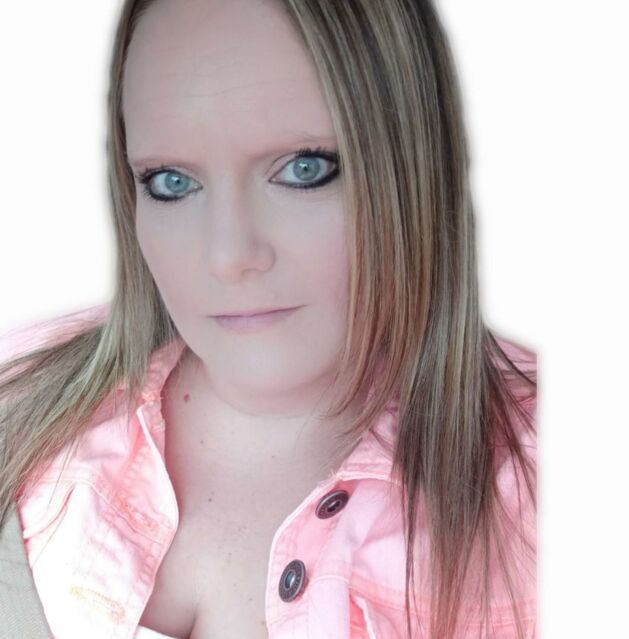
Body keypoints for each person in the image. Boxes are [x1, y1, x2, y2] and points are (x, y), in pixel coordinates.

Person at [0, 1, 537, 638]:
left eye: (305, 170)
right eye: (171, 182)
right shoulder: (17, 406)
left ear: (412, 169)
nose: (229, 256)